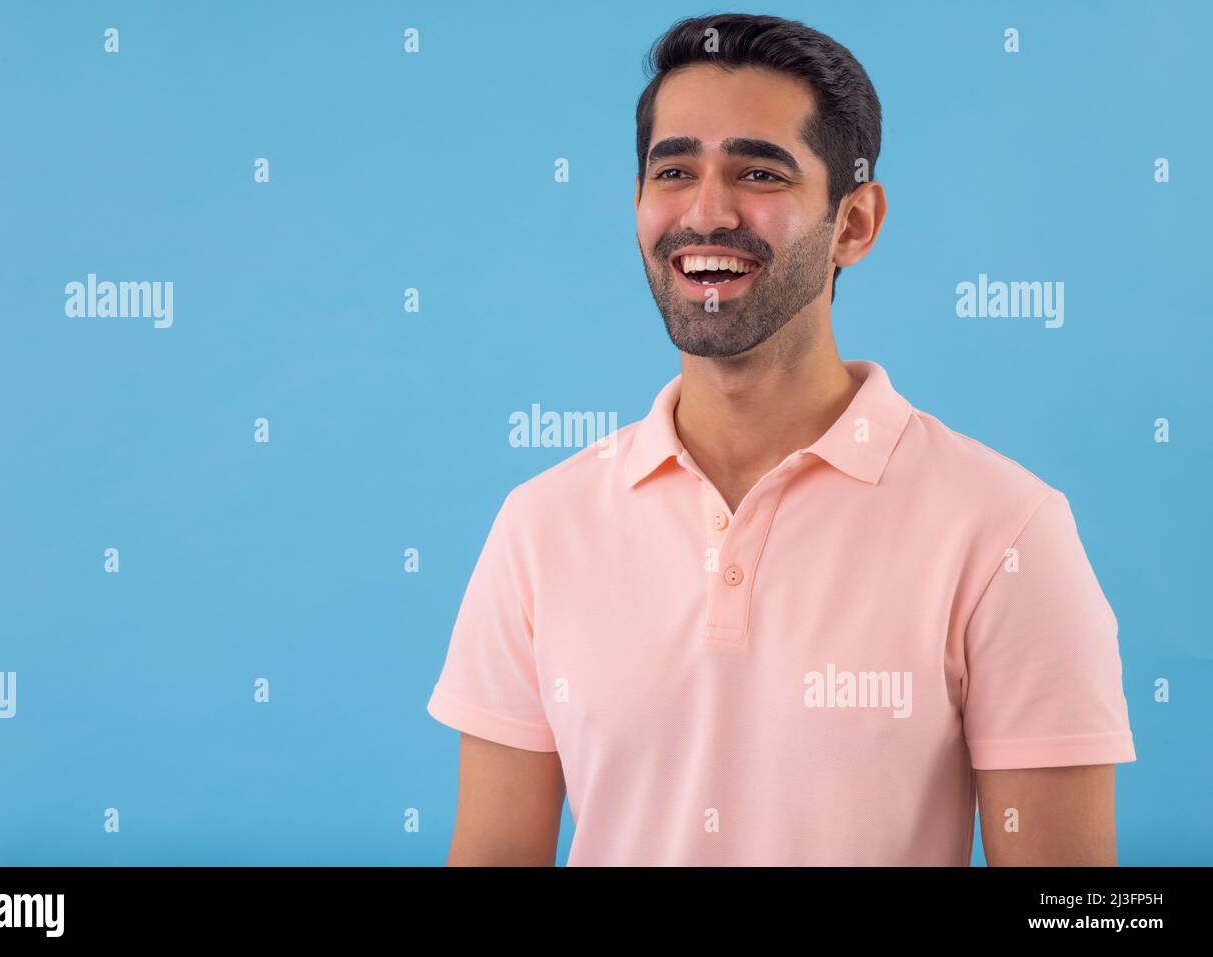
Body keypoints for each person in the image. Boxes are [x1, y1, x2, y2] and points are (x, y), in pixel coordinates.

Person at [426, 12, 1136, 866]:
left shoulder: (1008, 530)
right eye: (674, 170)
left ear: (855, 223)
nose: (707, 211)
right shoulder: (540, 525)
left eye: (759, 172)